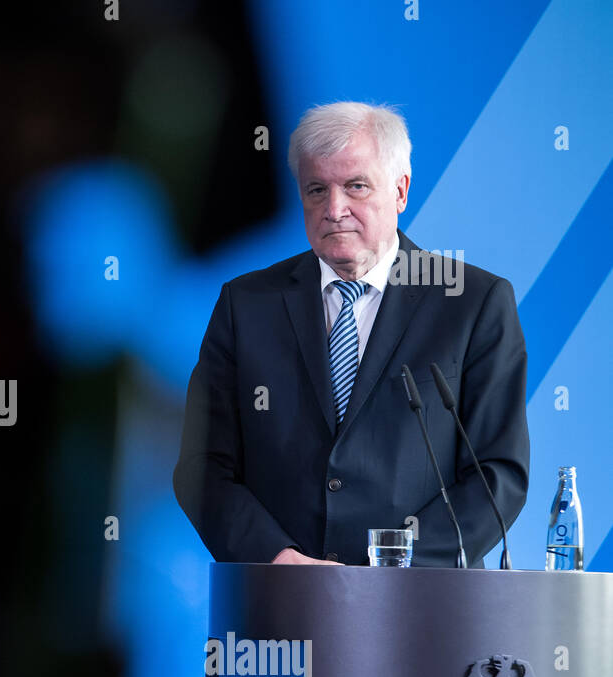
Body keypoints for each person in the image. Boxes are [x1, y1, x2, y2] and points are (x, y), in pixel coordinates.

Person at [174, 102, 529, 569]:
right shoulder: (246, 305)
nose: (334, 209)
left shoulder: (472, 302)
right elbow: (203, 466)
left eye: (355, 186)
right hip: (278, 608)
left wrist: (391, 567)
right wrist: (280, 560)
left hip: (420, 610)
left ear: (400, 190)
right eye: (316, 189)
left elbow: (496, 475)